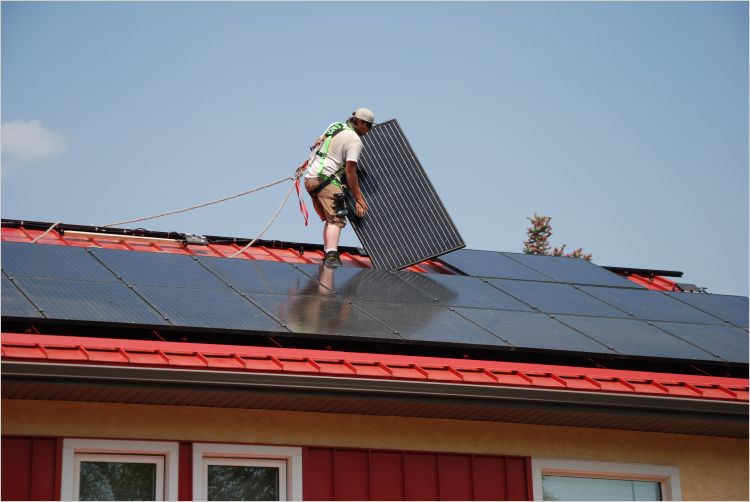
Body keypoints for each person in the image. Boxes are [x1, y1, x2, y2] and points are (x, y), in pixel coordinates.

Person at [303, 108, 374, 268]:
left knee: (330, 219)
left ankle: (328, 251)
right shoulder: (355, 141)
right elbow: (350, 171)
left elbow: (317, 141)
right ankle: (331, 256)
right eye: (368, 126)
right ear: (360, 122)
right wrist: (359, 199)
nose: (369, 130)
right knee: (337, 218)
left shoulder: (335, 125)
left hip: (310, 178)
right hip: (325, 181)